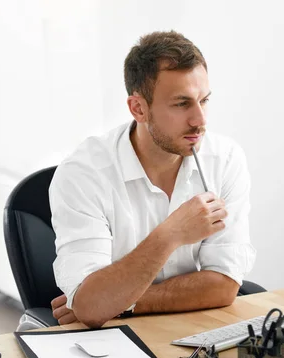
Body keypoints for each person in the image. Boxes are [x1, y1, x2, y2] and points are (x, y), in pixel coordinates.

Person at [49, 31, 256, 328]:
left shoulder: (224, 159)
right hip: (109, 346)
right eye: (182, 104)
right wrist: (171, 233)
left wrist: (121, 303)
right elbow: (92, 306)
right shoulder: (83, 174)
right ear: (138, 108)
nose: (200, 120)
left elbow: (223, 285)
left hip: (191, 329)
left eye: (204, 100)